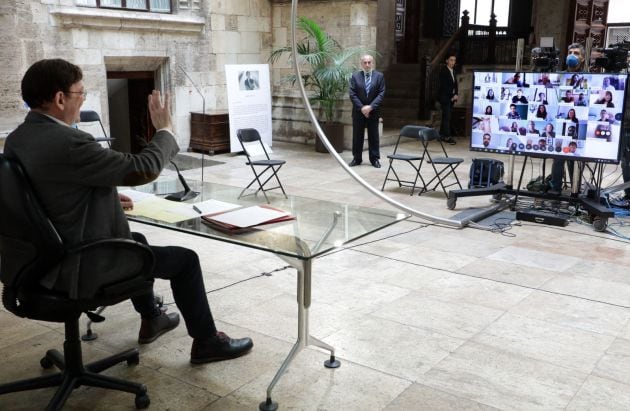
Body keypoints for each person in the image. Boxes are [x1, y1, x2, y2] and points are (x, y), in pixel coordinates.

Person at [4, 59, 253, 364]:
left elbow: (45, 193)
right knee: (186, 260)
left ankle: (152, 317)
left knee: (136, 241)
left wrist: (102, 194)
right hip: (74, 267)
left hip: (34, 264)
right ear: (59, 98)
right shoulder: (70, 141)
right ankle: (207, 342)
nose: (83, 100)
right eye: (80, 93)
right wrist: (165, 130)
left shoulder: (18, 139)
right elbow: (141, 169)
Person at [551, 42, 585, 195]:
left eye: (576, 53)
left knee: (575, 158)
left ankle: (575, 190)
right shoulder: (560, 75)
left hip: (578, 124)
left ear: (582, 58)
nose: (572, 55)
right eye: (570, 52)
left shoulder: (587, 77)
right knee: (558, 158)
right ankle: (555, 189)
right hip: (561, 123)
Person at [349, 54, 386, 167]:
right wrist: (362, 107)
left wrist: (370, 107)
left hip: (373, 112)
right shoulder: (355, 76)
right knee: (357, 136)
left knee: (374, 136)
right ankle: (357, 158)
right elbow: (352, 93)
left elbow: (381, 93)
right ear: (361, 64)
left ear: (373, 63)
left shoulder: (379, 76)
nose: (367, 64)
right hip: (358, 112)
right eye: (365, 62)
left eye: (369, 62)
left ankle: (374, 159)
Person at [437, 52, 458, 145]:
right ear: (446, 61)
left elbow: (455, 84)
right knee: (447, 117)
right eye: (451, 60)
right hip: (445, 97)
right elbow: (444, 86)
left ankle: (441, 135)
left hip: (452, 97)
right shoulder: (443, 71)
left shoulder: (453, 71)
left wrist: (456, 93)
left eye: (454, 60)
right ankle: (447, 136)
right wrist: (452, 95)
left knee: (446, 116)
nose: (453, 62)